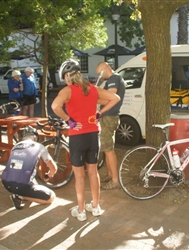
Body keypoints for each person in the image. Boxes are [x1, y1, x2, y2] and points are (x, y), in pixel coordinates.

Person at [51, 59, 120, 221]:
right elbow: (115, 98)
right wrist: (99, 113)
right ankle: (95, 207)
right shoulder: (92, 89)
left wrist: (70, 120)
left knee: (79, 176)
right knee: (93, 172)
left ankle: (81, 210)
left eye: (65, 78)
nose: (65, 80)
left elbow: (55, 107)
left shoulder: (67, 91)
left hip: (77, 137)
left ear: (67, 76)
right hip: (92, 136)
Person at [1, 126, 57, 210]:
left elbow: (17, 166)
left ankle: (18, 193)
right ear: (35, 138)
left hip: (6, 183)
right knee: (51, 197)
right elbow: (53, 169)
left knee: (27, 177)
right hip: (21, 185)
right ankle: (20, 196)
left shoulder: (16, 146)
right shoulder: (39, 146)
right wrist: (48, 176)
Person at [95, 62, 125, 190]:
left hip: (109, 117)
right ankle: (109, 174)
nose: (100, 77)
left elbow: (110, 98)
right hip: (109, 117)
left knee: (108, 150)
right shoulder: (116, 78)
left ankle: (115, 180)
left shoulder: (113, 78)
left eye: (99, 74)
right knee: (107, 149)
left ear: (104, 69)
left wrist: (99, 110)